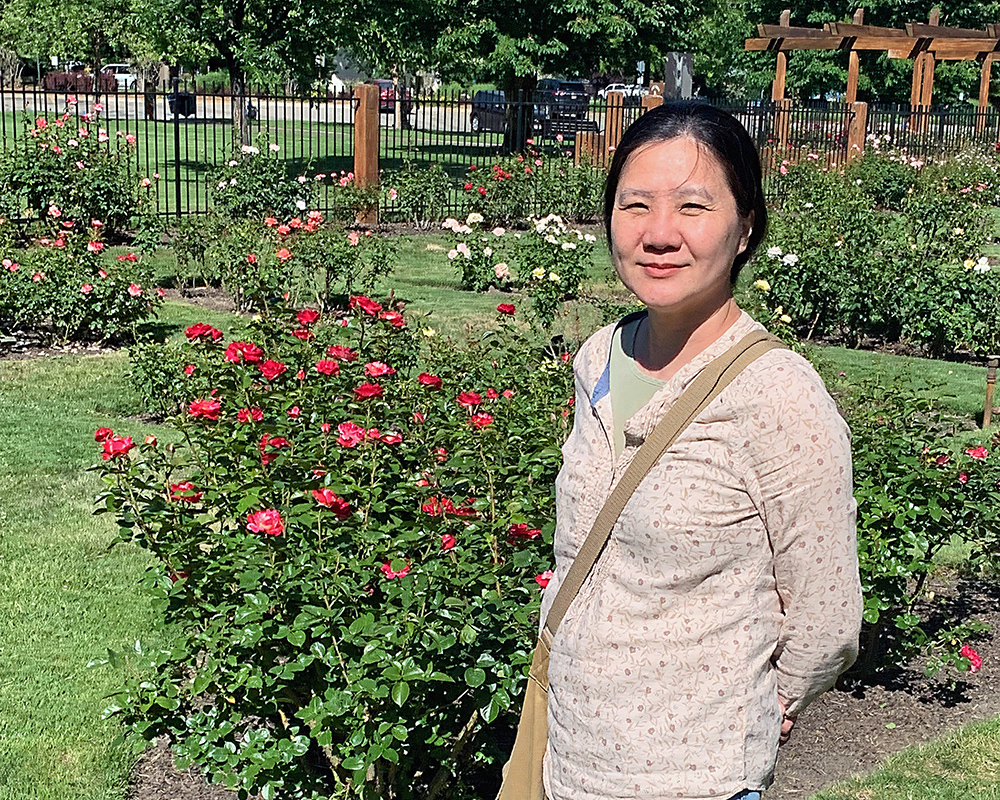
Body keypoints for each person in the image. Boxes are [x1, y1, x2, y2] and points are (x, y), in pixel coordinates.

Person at [538, 101, 862, 800]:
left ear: (744, 227)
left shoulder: (776, 396)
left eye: (692, 206)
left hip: (695, 777)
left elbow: (828, 617)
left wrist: (761, 710)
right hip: (568, 757)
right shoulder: (602, 357)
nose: (658, 234)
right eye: (635, 206)